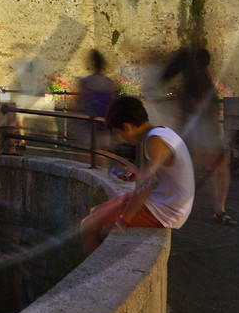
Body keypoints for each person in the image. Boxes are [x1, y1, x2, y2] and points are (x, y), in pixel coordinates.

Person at [79, 96, 195, 254]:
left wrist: (122, 222)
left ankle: (95, 275)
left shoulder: (154, 142)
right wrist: (138, 174)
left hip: (165, 210)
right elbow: (150, 176)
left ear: (127, 127)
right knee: (95, 211)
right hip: (163, 201)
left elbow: (148, 184)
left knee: (87, 226)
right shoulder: (160, 132)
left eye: (120, 133)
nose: (122, 139)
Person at [175, 47, 238, 225]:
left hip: (204, 128)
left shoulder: (201, 78)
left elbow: (189, 106)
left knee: (211, 167)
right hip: (200, 128)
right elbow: (190, 105)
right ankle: (217, 209)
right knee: (199, 168)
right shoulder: (197, 79)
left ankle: (217, 209)